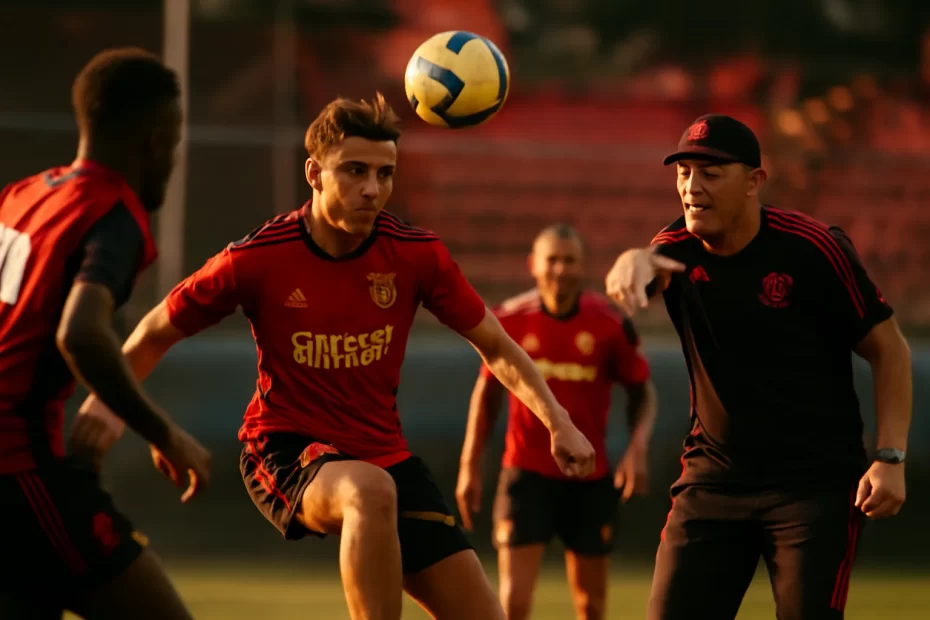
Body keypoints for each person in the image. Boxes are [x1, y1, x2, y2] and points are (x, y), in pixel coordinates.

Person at [74, 92, 596, 620]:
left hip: (385, 455)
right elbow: (155, 331)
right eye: (354, 170)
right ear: (314, 173)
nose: (372, 189)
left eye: (385, 173)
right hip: (284, 449)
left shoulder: (417, 255)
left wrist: (559, 421)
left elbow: (496, 346)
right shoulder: (258, 258)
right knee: (369, 491)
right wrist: (106, 403)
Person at [605, 114, 912, 620]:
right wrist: (632, 262)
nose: (691, 187)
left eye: (710, 172)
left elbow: (890, 349)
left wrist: (890, 456)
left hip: (813, 487)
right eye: (683, 172)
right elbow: (650, 267)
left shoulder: (813, 248)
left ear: (754, 181)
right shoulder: (676, 247)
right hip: (714, 480)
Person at [0, 48, 211, 620]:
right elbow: (82, 334)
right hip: (19, 469)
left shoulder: (21, 196)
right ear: (154, 139)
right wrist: (162, 432)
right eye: (174, 139)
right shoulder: (112, 215)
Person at [456, 224, 657, 620]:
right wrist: (469, 466)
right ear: (533, 264)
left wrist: (638, 447)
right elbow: (486, 396)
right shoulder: (510, 319)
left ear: (583, 268)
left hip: (590, 479)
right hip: (526, 477)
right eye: (552, 259)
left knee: (592, 605)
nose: (560, 269)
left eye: (570, 261)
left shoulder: (609, 324)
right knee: (512, 605)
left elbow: (643, 392)